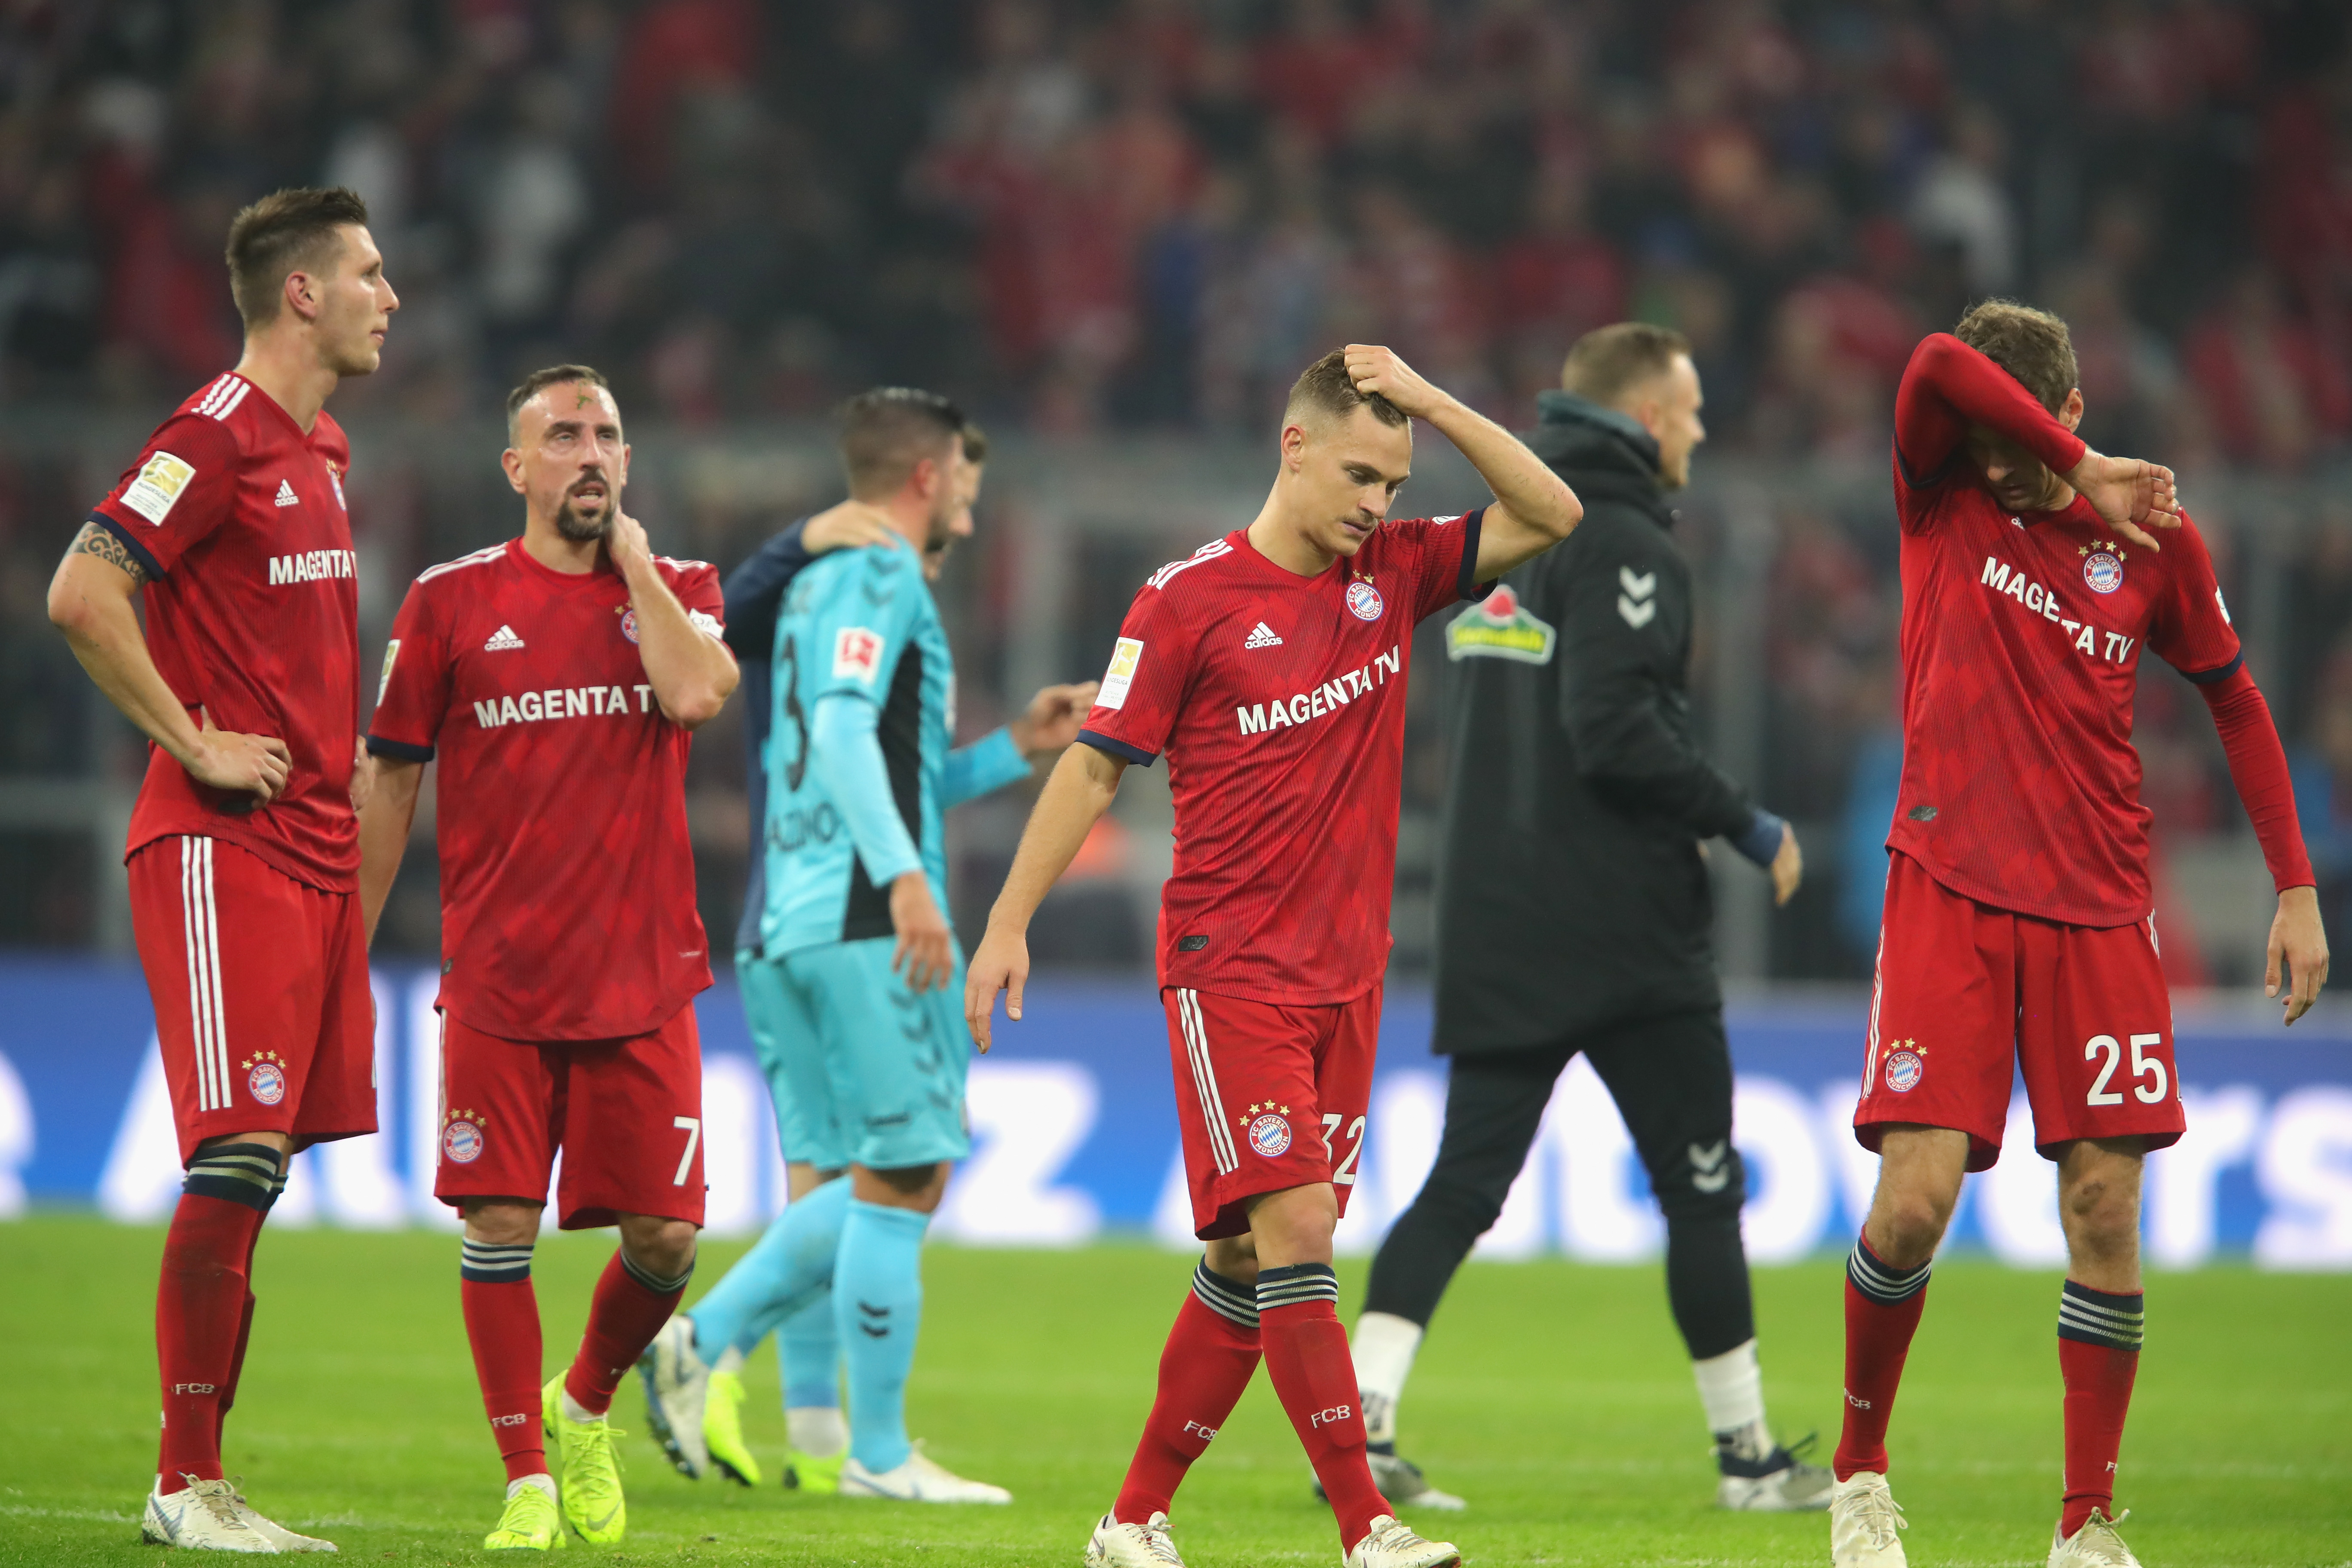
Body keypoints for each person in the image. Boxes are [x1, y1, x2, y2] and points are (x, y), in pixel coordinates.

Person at [967, 345, 1582, 1568]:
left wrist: (1438, 403)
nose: (1378, 504)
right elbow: (1093, 766)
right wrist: (1006, 921)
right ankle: (1368, 1525)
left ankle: (1133, 1519)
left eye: (1396, 484)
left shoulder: (1396, 576)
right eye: (1360, 473)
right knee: (1299, 1229)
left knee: (1245, 1260)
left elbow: (1552, 512)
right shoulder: (1186, 600)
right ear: (1292, 447)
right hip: (1229, 963)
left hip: (1348, 976)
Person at [1828, 303, 2329, 1568]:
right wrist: (2066, 459)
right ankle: (1859, 1474)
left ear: (2077, 416)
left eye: (2032, 454)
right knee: (1914, 1206)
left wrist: (2297, 888)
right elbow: (1938, 366)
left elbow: (2235, 695)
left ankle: (2086, 1522)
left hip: (2102, 905)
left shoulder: (2150, 539)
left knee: (2106, 1207)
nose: (2011, 472)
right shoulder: (1940, 482)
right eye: (2003, 448)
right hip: (1947, 879)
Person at [1348, 322, 1828, 1515]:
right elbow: (1613, 732)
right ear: (1651, 418)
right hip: (1625, 932)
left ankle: (1357, 1429)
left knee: (1463, 1182)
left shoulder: (1500, 542)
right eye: (1696, 407)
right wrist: (1745, 822)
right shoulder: (1624, 543)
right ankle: (1749, 1460)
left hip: (1498, 916)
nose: (1704, 430)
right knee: (1701, 1186)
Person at [641, 387, 1092, 1505]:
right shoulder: (884, 573)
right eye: (970, 496)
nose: (973, 524)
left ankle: (820, 1435)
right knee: (909, 1171)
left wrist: (1013, 753)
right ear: (928, 479)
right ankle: (762, 1378)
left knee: (832, 1184)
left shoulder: (805, 587)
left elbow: (885, 767)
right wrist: (904, 883)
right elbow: (845, 728)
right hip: (859, 918)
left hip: (782, 921)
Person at [47, 185, 395, 1553]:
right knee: (237, 1150)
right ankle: (183, 1483)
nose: (391, 295)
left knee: (260, 1172)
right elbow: (84, 590)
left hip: (309, 846)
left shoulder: (321, 448)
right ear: (300, 293)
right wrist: (191, 736)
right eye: (369, 272)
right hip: (218, 843)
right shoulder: (213, 436)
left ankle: (201, 1482)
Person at [356, 364, 740, 1551]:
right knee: (499, 1226)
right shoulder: (449, 600)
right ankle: (527, 1476)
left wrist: (628, 565)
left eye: (607, 436)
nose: (589, 453)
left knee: (668, 1242)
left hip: (642, 979)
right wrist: (344, 953)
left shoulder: (677, 587)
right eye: (562, 436)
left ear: (628, 463)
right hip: (502, 981)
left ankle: (583, 1407)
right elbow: (394, 774)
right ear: (516, 468)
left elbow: (700, 694)